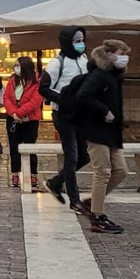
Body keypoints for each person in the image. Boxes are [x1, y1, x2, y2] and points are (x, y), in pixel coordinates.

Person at [74, 39, 132, 234]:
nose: (124, 57)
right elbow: (83, 96)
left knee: (121, 171)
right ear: (109, 55)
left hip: (111, 133)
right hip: (95, 130)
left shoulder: (115, 76)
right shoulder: (98, 75)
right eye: (121, 53)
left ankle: (91, 202)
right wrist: (104, 111)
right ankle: (97, 216)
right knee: (103, 172)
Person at [39, 26, 89, 210]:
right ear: (68, 42)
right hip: (63, 114)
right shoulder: (56, 63)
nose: (81, 44)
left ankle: (56, 182)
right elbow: (43, 88)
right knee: (72, 156)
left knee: (84, 157)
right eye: (77, 41)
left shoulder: (84, 59)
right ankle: (75, 200)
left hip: (81, 115)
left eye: (82, 40)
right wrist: (64, 99)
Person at [3, 56, 43, 188]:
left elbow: (35, 102)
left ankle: (32, 175)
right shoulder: (12, 81)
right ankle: (15, 174)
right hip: (13, 119)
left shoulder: (36, 83)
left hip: (30, 120)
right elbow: (7, 98)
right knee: (14, 147)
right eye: (15, 65)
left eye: (18, 65)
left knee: (30, 146)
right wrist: (13, 113)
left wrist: (19, 113)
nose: (16, 68)